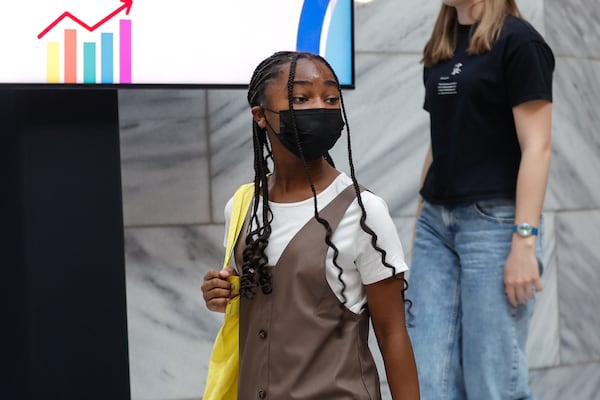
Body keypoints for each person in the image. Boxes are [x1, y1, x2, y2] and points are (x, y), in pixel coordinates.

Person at [201, 51, 419, 399]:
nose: (321, 107)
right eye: (301, 98)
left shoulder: (364, 212)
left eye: (331, 98)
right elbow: (265, 306)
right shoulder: (243, 207)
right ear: (260, 116)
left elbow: (392, 333)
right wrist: (221, 294)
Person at [406, 0, 555, 399]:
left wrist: (524, 240)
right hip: (436, 226)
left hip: (495, 226)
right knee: (426, 381)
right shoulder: (441, 46)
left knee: (492, 383)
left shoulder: (519, 42)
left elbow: (537, 146)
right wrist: (421, 221)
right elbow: (439, 142)